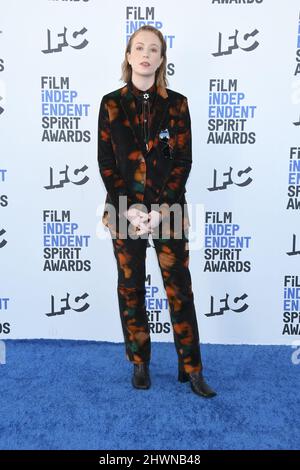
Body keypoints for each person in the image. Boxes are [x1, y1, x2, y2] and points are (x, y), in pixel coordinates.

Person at [97, 25, 216, 398]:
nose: (146, 54)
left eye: (154, 49)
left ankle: (191, 368)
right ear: (129, 56)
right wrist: (128, 207)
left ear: (162, 59)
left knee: (179, 288)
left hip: (171, 208)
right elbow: (106, 163)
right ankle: (139, 363)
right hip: (122, 209)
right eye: (139, 48)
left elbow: (183, 160)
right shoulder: (111, 103)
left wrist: (162, 208)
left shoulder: (178, 104)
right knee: (130, 287)